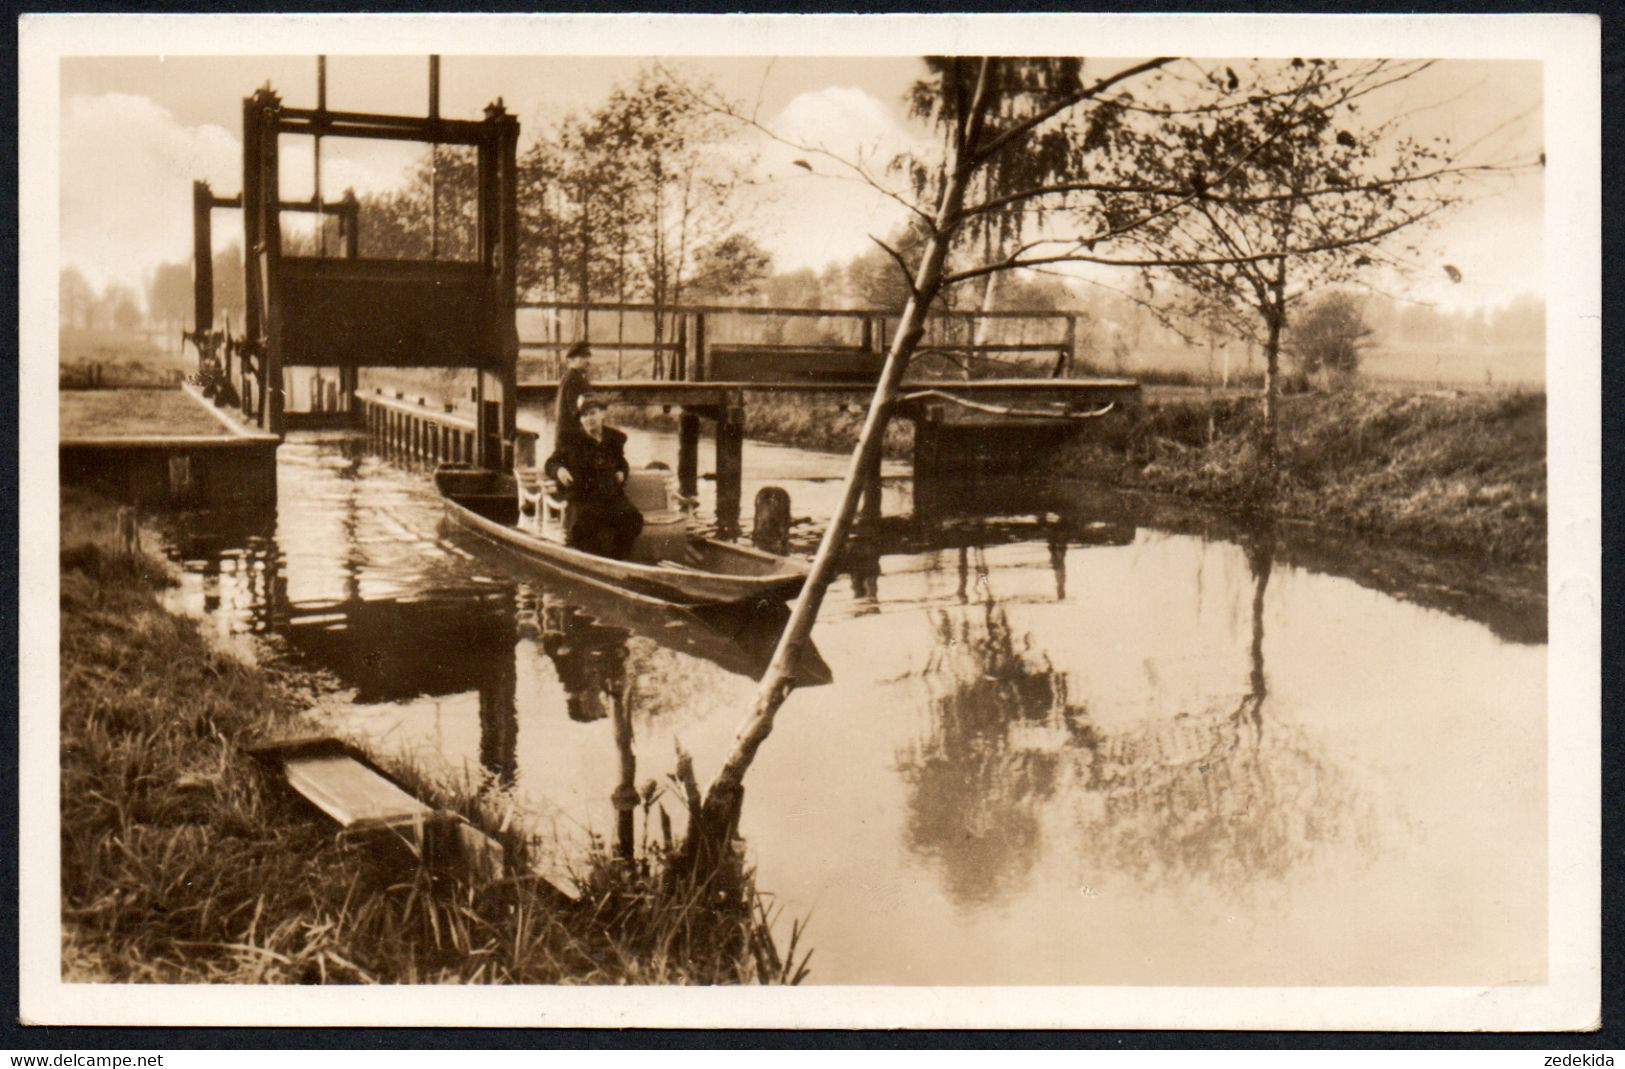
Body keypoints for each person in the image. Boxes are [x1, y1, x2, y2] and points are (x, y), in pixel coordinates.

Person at [544, 395, 644, 560]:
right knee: (588, 525)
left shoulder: (614, 439)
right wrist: (560, 470)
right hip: (583, 495)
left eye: (592, 413)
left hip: (610, 493)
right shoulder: (571, 440)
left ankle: (620, 559)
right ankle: (593, 562)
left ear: (602, 414)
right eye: (584, 416)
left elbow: (621, 463)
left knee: (631, 518)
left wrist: (622, 472)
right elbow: (551, 463)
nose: (588, 419)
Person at [554, 341, 593, 449]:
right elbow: (575, 412)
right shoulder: (574, 379)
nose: (588, 361)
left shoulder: (572, 377)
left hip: (568, 436)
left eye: (588, 356)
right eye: (582, 357)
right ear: (571, 360)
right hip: (571, 438)